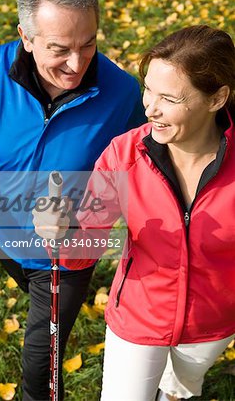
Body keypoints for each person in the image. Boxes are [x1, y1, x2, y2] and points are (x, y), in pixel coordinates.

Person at [0, 0, 146, 401]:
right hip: (6, 240)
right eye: (59, 48)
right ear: (26, 38)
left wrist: (80, 222)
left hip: (68, 255)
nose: (77, 63)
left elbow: (140, 180)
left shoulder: (123, 93)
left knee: (40, 364)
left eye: (89, 43)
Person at [33, 25, 235, 401]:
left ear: (216, 98)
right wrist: (62, 232)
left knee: (180, 391)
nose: (150, 108)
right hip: (138, 318)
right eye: (148, 90)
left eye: (169, 98)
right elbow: (83, 252)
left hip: (214, 325)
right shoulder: (123, 155)